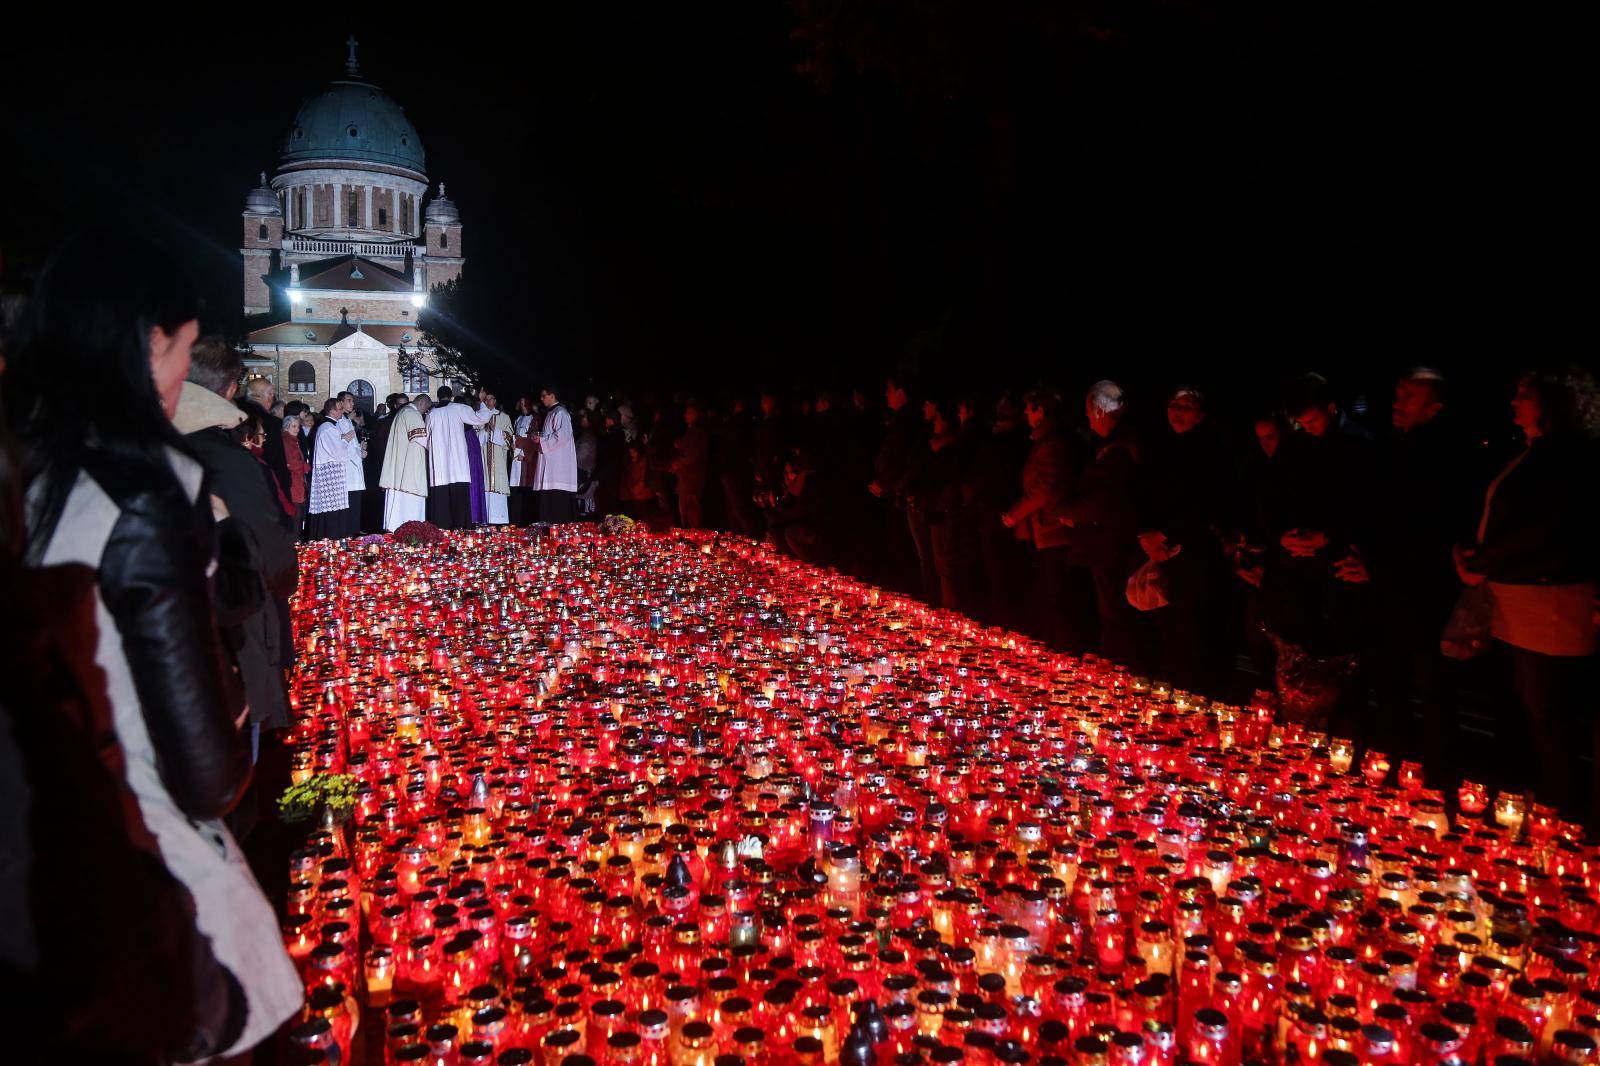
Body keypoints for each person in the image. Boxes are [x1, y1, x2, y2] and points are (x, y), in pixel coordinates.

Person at [3, 232, 301, 1057]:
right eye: (180, 346)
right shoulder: (144, 494)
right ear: (143, 341)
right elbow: (204, 768)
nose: (180, 375)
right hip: (142, 859)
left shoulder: (23, 473)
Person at [1455, 367, 1598, 820]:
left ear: (1554, 403)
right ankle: (1540, 806)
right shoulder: (1536, 452)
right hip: (1518, 602)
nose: (1514, 402)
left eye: (1524, 395)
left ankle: (1567, 817)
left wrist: (1482, 562)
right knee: (1530, 713)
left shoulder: (1567, 458)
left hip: (1549, 607)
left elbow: (1545, 531)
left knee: (1549, 718)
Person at [1360, 368, 1474, 780]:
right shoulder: (1392, 447)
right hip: (1388, 588)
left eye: (1409, 395)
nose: (1397, 400)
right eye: (1398, 392)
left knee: (1433, 689)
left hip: (1427, 593)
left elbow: (1433, 526)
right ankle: (1392, 771)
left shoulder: (1447, 457)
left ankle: (1439, 778)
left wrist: (1378, 560)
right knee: (1389, 686)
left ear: (1435, 407)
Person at [1136, 386, 1233, 696]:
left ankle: (1194, 703)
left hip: (1195, 557)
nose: (1177, 412)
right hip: (1162, 554)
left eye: (1187, 406)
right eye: (1173, 404)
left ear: (1202, 413)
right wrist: (1147, 536)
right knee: (1168, 633)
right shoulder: (1162, 448)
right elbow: (1145, 495)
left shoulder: (1211, 451)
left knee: (1192, 633)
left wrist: (1164, 534)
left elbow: (1204, 504)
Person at [1057, 380, 1146, 669]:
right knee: (1111, 614)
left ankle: (1120, 674)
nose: (1086, 417)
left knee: (1116, 616)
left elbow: (1105, 500)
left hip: (1110, 547)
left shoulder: (1118, 452)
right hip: (1106, 545)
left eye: (1087, 410)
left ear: (1098, 410)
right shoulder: (1115, 447)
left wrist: (1071, 512)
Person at [1002, 386, 1088, 650]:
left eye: (1030, 407)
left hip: (1054, 530)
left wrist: (1015, 514)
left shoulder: (1053, 444)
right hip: (1046, 529)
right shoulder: (1045, 441)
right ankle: (1056, 650)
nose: (1026, 412)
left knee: (1058, 599)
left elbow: (1046, 488)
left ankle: (1063, 654)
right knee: (1052, 597)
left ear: (1042, 410)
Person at [425, 384, 494, 529]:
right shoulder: (458, 408)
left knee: (441, 501)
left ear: (437, 397)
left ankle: (442, 530)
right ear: (451, 396)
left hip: (440, 464)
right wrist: (481, 401)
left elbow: (427, 438)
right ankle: (461, 530)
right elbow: (481, 418)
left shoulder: (431, 414)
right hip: (458, 463)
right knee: (460, 499)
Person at [308, 397, 360, 539]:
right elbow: (338, 454)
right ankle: (330, 541)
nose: (342, 411)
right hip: (330, 479)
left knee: (332, 512)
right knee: (331, 513)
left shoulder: (330, 427)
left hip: (332, 477)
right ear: (332, 411)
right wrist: (346, 439)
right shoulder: (328, 428)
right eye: (339, 409)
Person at [381, 394, 432, 530]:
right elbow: (423, 440)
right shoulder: (412, 414)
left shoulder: (402, 412)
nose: (425, 413)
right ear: (421, 403)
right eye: (426, 409)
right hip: (409, 469)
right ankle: (410, 532)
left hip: (401, 467)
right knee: (409, 503)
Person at [532, 385, 578, 523]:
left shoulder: (561, 413)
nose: (541, 398)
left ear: (552, 395)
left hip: (558, 471)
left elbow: (562, 437)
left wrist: (542, 440)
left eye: (543, 395)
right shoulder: (551, 413)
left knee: (558, 509)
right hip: (551, 467)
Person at [241, 374, 290, 499]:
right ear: (269, 397)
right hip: (264, 487)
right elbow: (278, 462)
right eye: (271, 395)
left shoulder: (233, 415)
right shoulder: (272, 424)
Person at [671, 401, 711, 528]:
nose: (685, 415)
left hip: (692, 476)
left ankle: (693, 535)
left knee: (691, 507)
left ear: (697, 414)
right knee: (684, 506)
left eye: (689, 412)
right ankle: (688, 533)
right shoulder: (692, 431)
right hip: (686, 475)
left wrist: (678, 463)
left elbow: (694, 454)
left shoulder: (698, 431)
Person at [480, 390, 514, 525]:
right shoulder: (479, 417)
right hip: (483, 457)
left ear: (495, 401)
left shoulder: (504, 417)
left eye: (491, 399)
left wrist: (495, 431)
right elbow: (476, 437)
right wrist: (484, 431)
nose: (489, 402)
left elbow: (510, 438)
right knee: (484, 484)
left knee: (498, 483)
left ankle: (499, 519)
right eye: (486, 400)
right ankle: (484, 519)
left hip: (499, 459)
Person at [282, 401, 311, 535]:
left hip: (298, 484)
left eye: (298, 427)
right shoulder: (287, 440)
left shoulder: (293, 440)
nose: (297, 429)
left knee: (299, 518)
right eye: (293, 426)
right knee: (295, 518)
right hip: (293, 484)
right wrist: (305, 466)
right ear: (286, 427)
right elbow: (291, 463)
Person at [510, 396, 537, 525]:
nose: (523, 406)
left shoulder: (534, 419)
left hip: (526, 460)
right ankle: (516, 520)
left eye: (525, 403)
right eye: (521, 404)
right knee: (516, 488)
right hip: (516, 458)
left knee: (526, 488)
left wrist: (525, 454)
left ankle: (526, 521)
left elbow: (533, 440)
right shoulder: (518, 419)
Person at [575, 408, 601, 517]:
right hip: (585, 474)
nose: (581, 420)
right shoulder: (585, 434)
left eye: (584, 418)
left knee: (586, 510)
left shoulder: (588, 436)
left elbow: (582, 455)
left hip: (586, 475)